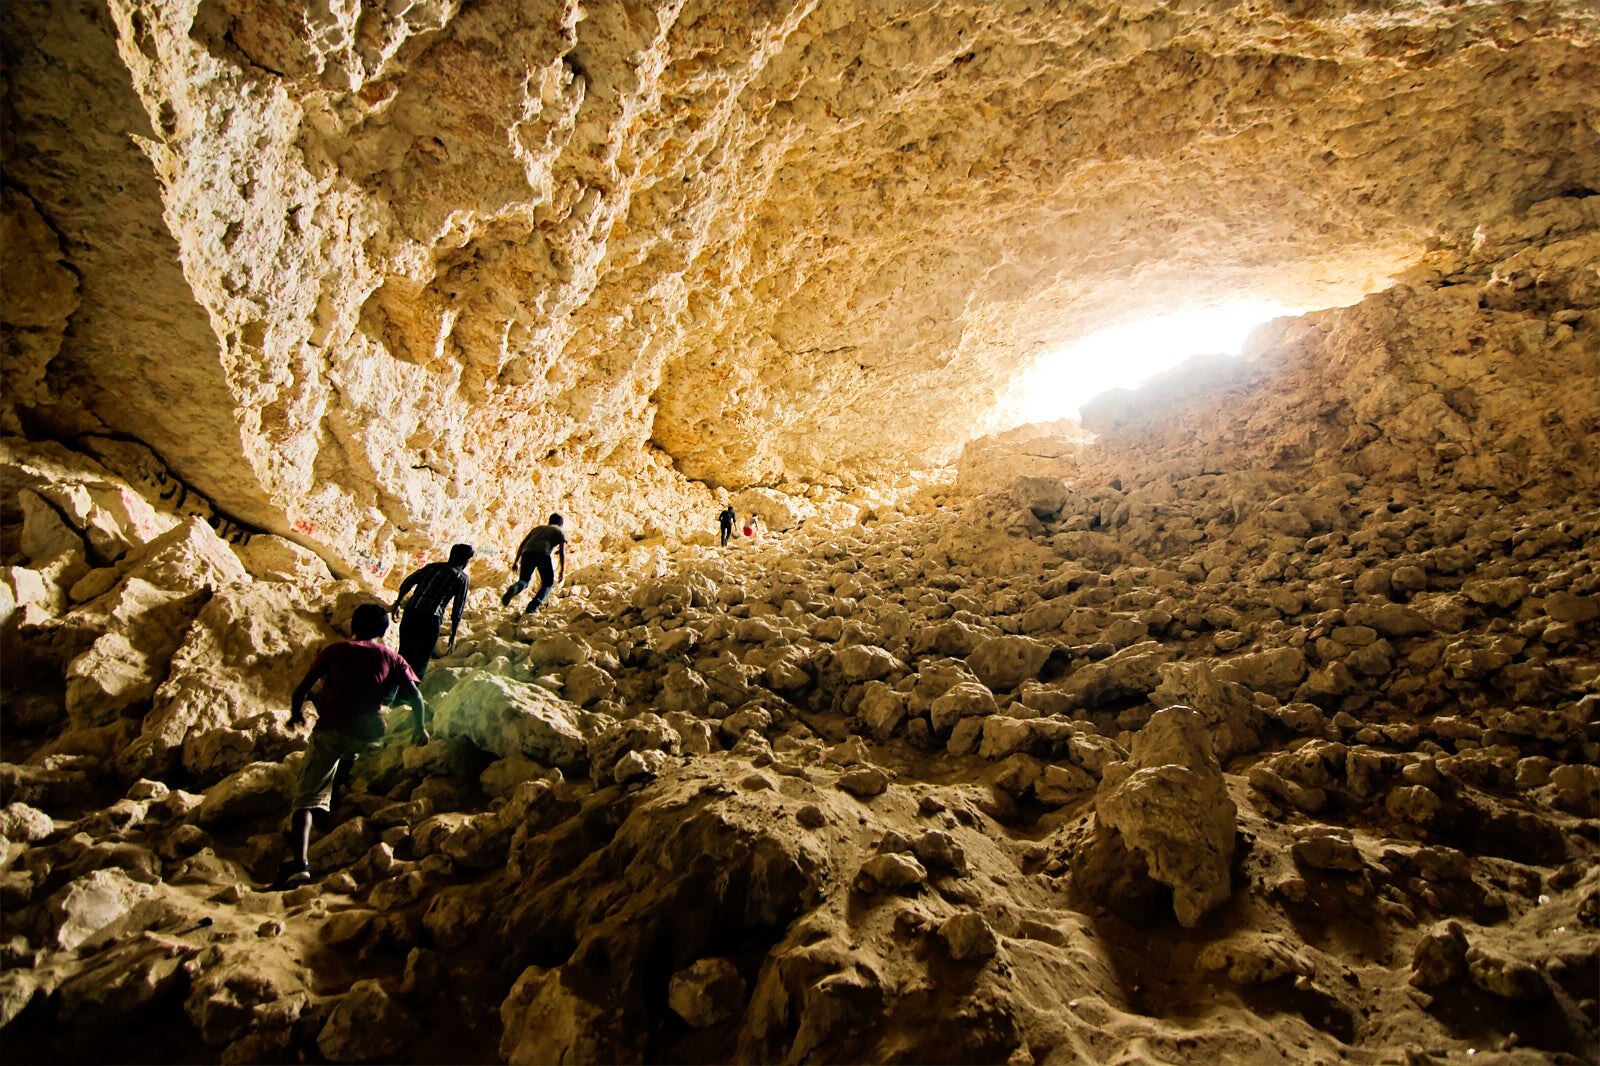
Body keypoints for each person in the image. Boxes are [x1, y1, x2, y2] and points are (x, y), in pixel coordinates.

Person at [281, 603, 427, 887]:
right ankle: (330, 805)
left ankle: (300, 864)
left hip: (333, 727)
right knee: (347, 755)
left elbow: (302, 688)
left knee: (305, 797)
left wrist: (295, 714)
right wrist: (419, 729)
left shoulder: (336, 650)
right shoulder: (393, 657)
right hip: (369, 734)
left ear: (353, 626)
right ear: (384, 631)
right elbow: (416, 699)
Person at [390, 543, 472, 680]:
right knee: (421, 659)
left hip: (411, 612)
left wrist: (397, 603)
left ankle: (390, 692)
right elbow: (458, 608)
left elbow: (408, 582)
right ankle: (407, 695)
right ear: (465, 560)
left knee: (404, 653)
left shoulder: (432, 567)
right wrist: (453, 633)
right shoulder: (462, 578)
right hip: (430, 619)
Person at [502, 513, 567, 614]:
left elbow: (522, 544)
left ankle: (513, 588)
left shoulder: (537, 529)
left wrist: (516, 561)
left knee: (524, 580)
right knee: (548, 583)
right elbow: (562, 552)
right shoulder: (559, 531)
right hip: (543, 553)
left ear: (549, 521)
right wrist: (562, 571)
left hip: (527, 553)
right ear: (560, 524)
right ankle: (533, 606)